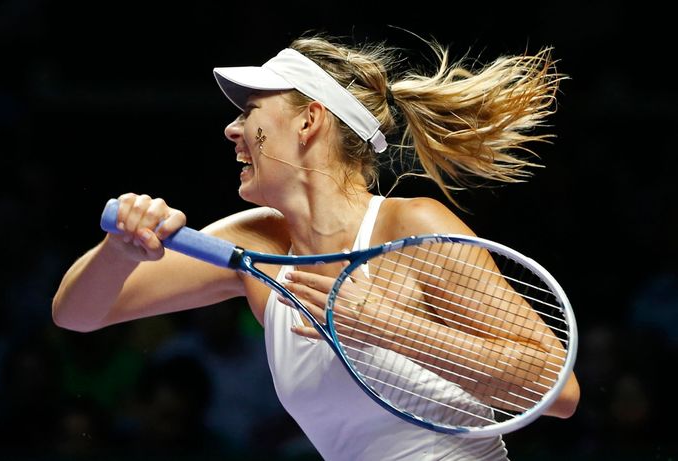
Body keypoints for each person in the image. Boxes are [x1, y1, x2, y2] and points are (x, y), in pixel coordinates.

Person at [52, 32, 580, 460]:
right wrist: (119, 252)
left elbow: (558, 393)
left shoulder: (411, 226)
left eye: (251, 110)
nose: (233, 129)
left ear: (309, 119)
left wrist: (386, 325)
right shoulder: (255, 244)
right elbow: (76, 315)